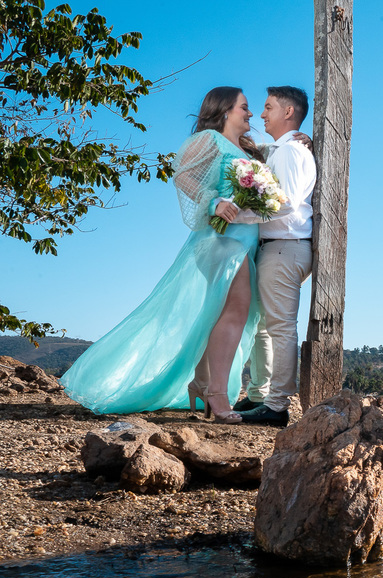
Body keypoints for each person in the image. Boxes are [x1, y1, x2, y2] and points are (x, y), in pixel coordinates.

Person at [60, 86, 267, 423]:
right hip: (222, 239)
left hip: (244, 238)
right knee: (235, 311)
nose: (250, 113)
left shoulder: (244, 149)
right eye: (244, 107)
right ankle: (216, 393)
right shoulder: (210, 141)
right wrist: (215, 202)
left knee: (218, 314)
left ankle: (202, 384)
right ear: (225, 110)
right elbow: (184, 177)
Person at [233, 86, 317, 427]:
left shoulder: (291, 152)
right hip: (281, 248)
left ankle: (277, 406)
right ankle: (261, 396)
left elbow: (286, 202)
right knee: (268, 327)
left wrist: (238, 215)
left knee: (280, 328)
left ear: (288, 113)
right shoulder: (282, 150)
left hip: (284, 246)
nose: (262, 114)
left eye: (268, 107)